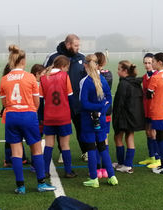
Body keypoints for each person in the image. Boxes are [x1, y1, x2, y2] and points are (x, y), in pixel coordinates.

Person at [0, 45, 56, 194]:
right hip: (28, 115)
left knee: (16, 153)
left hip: (11, 116)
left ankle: (20, 186)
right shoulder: (30, 77)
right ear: (23, 61)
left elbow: (4, 104)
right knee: (36, 150)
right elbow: (37, 102)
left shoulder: (4, 79)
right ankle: (41, 183)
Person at [44, 34, 88, 162]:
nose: (78, 48)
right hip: (59, 102)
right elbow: (43, 74)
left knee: (81, 128)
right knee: (60, 130)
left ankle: (85, 151)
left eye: (78, 45)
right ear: (68, 44)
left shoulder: (82, 57)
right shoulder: (53, 57)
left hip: (78, 102)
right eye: (75, 45)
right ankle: (63, 152)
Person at [79, 54, 118, 188]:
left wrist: (96, 108)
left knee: (91, 149)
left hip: (88, 119)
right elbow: (109, 99)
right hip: (100, 119)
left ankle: (94, 178)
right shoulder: (102, 79)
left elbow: (84, 103)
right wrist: (102, 109)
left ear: (86, 65)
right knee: (103, 148)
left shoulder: (86, 81)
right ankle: (112, 176)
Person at [40, 55, 77, 178]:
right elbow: (71, 98)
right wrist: (73, 113)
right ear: (63, 66)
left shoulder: (44, 78)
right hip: (63, 116)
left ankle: (45, 171)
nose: (67, 70)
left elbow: (40, 101)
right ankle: (68, 171)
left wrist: (41, 116)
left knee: (49, 144)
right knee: (65, 144)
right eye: (67, 67)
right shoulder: (65, 76)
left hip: (49, 117)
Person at [112, 60, 145, 174]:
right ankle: (126, 164)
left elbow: (119, 102)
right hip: (134, 116)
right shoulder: (136, 82)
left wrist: (115, 118)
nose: (117, 72)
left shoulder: (124, 84)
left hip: (124, 116)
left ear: (125, 71)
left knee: (117, 138)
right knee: (129, 138)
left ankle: (124, 164)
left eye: (119, 69)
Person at [147, 52, 163, 174]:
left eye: (153, 61)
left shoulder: (155, 77)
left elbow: (149, 94)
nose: (152, 63)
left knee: (160, 138)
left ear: (160, 63)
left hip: (159, 111)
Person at [0, 64, 29, 168]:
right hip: (16, 113)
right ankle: (14, 159)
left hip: (11, 114)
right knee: (15, 138)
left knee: (14, 138)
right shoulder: (16, 81)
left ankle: (16, 159)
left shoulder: (6, 81)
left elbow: (5, 101)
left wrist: (2, 109)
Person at [138, 53, 161, 169]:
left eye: (149, 63)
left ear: (154, 63)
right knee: (147, 132)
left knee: (153, 133)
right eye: (145, 63)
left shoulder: (157, 76)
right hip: (146, 109)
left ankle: (158, 158)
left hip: (154, 109)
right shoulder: (144, 77)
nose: (147, 65)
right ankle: (151, 156)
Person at [94, 52, 113, 178]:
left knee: (95, 140)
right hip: (107, 110)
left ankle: (98, 168)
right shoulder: (108, 74)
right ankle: (106, 169)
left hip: (96, 111)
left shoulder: (92, 76)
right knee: (104, 139)